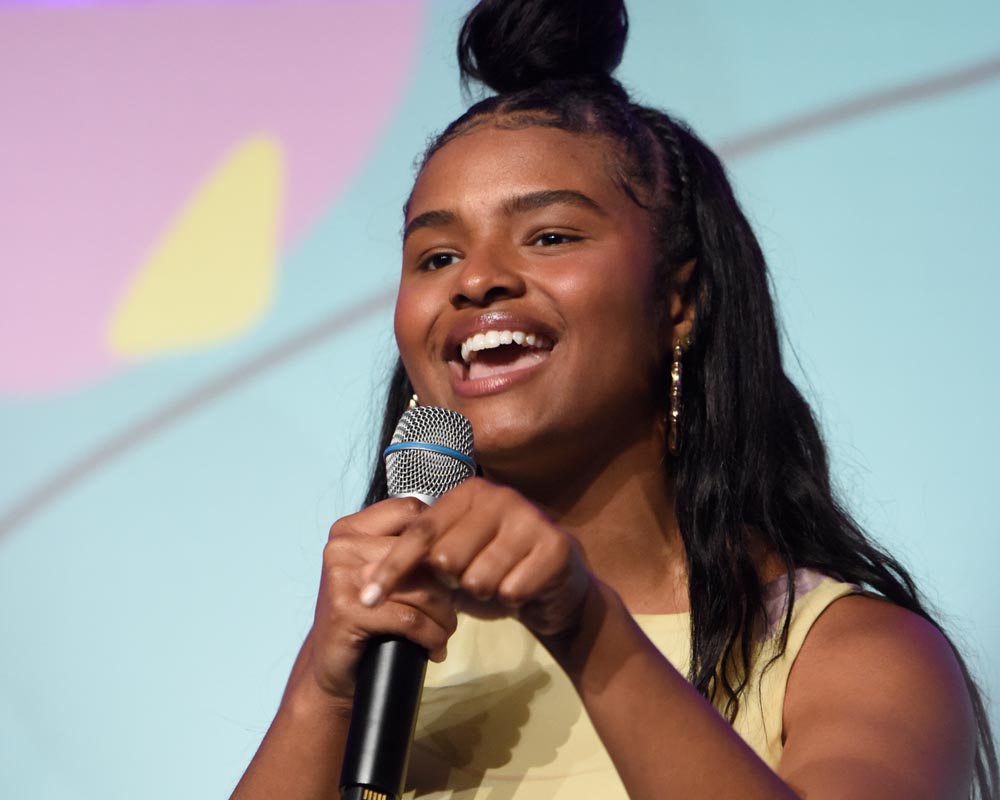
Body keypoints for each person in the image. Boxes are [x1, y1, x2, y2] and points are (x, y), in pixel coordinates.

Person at [231, 1, 998, 798]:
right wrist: (319, 696)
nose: (475, 279)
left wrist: (588, 627)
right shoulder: (391, 658)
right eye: (436, 255)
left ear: (680, 302)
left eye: (550, 237)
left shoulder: (846, 656)